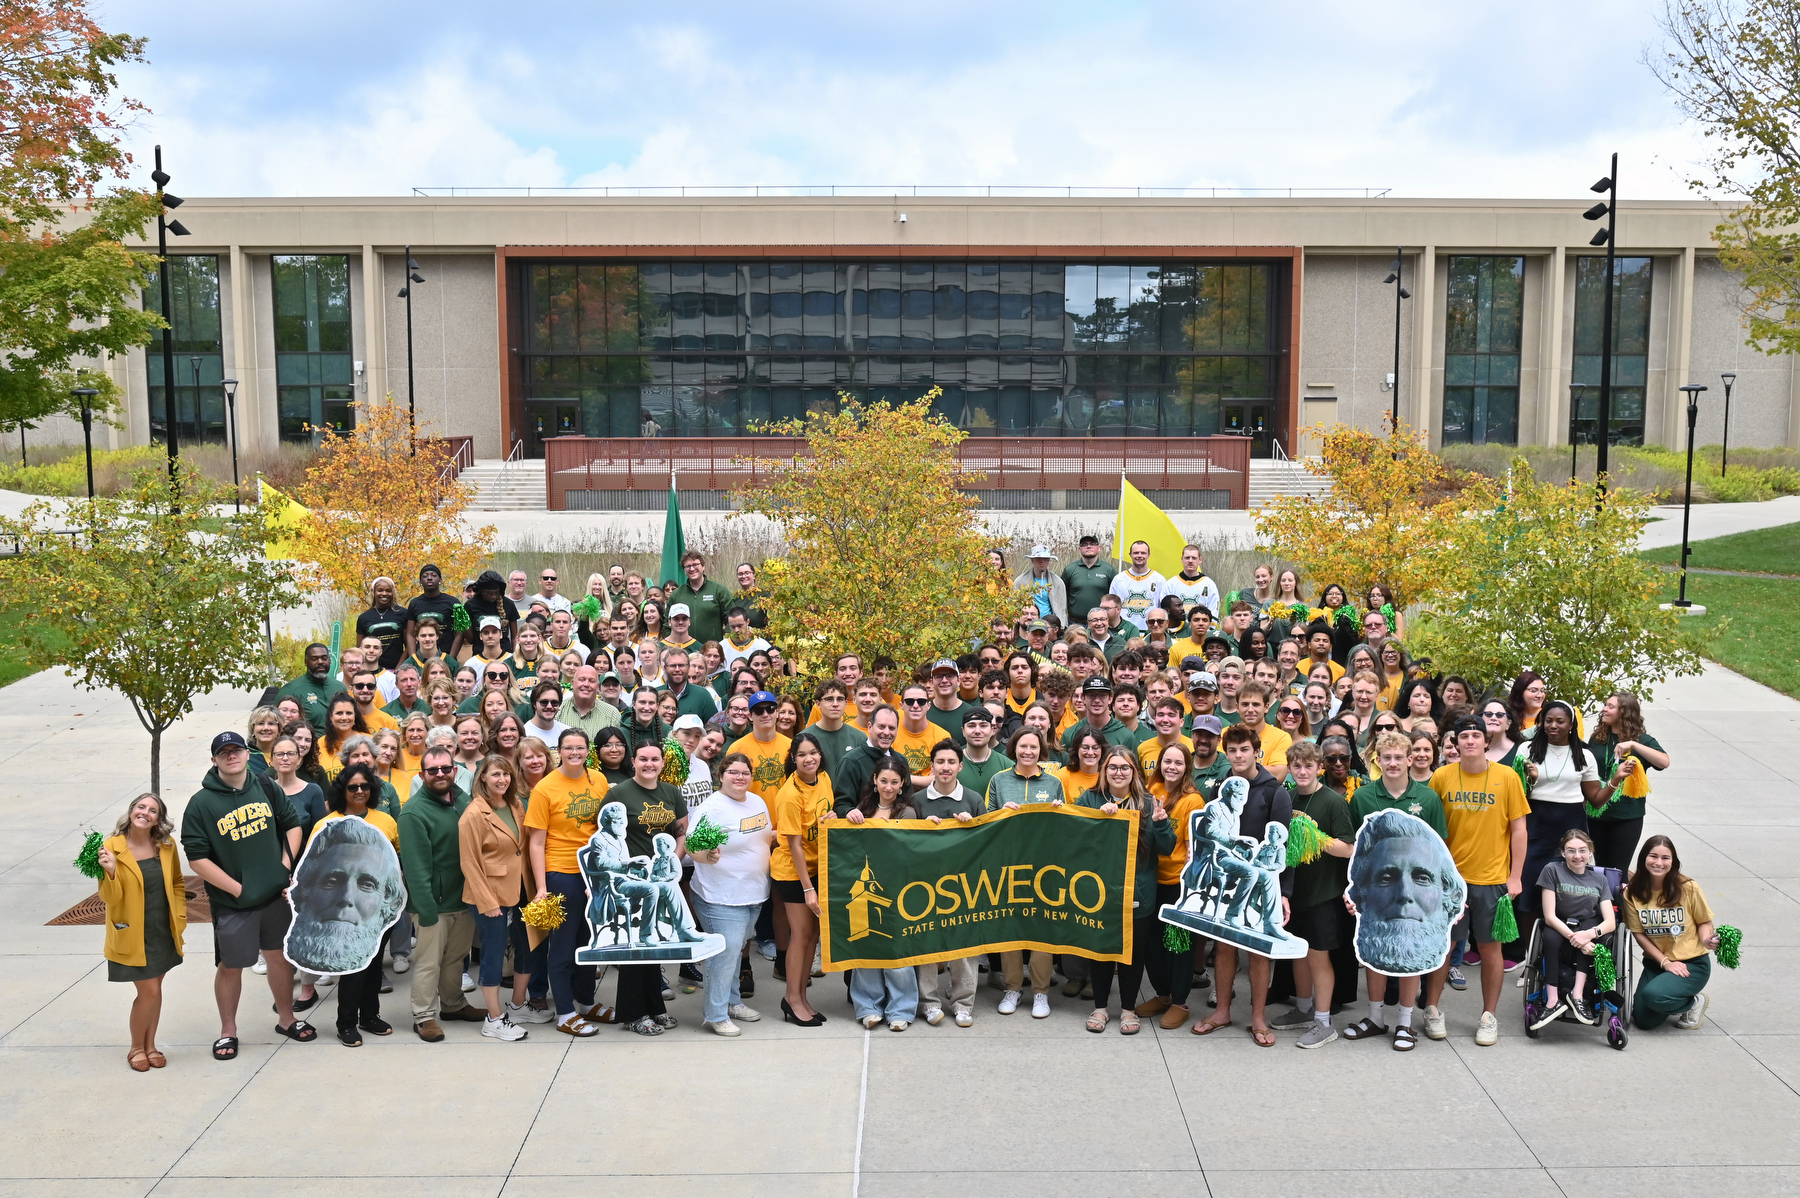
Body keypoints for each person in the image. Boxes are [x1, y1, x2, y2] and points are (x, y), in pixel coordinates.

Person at [182, 731, 313, 1060]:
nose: (231, 756)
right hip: (233, 904)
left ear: (246, 753)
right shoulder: (201, 804)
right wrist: (237, 889)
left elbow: (292, 824)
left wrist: (284, 867)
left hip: (273, 897)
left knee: (279, 959)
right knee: (232, 965)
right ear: (214, 759)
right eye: (223, 752)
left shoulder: (266, 786)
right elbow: (197, 857)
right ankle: (228, 1031)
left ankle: (287, 1019)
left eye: (236, 749)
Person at [1342, 731, 1452, 1050]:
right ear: (1377, 761)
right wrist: (1352, 890)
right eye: (1385, 757)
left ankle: (1404, 1023)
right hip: (1377, 888)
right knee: (1376, 950)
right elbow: (1356, 851)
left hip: (1415, 890)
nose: (1392, 763)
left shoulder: (1428, 798)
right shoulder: (1362, 797)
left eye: (1398, 757)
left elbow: (1440, 850)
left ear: (1409, 760)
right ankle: (1376, 1018)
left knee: (1411, 952)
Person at [1426, 715, 1530, 1047]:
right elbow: (1430, 832)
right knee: (1446, 947)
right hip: (1451, 881)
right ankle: (1431, 1009)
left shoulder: (1507, 777)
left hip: (1493, 881)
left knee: (1490, 949)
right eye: (1463, 736)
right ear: (1454, 743)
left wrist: (1515, 877)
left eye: (1476, 735)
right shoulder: (1442, 777)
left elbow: (1519, 830)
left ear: (1487, 741)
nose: (1470, 741)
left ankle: (1488, 1016)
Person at [1190, 723, 1292, 1048]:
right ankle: (1222, 1011)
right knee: (1223, 947)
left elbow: (1285, 848)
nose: (1237, 755)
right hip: (1227, 877)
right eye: (1231, 750)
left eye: (1244, 749)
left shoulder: (1275, 791)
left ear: (1256, 752)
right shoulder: (1219, 788)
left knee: (1258, 952)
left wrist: (1284, 894)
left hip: (1262, 881)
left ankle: (1258, 1018)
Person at [1264, 741, 1354, 1049]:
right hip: (1292, 893)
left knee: (1318, 957)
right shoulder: (1285, 798)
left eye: (1309, 766)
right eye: (1297, 766)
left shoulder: (1332, 801)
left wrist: (1316, 837)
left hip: (1322, 894)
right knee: (1298, 954)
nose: (1303, 772)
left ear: (1320, 768)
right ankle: (1303, 1009)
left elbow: (1348, 848)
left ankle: (1324, 1021)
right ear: (1289, 769)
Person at [305, 764, 403, 1046]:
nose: (359, 791)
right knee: (353, 966)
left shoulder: (386, 821)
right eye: (353, 787)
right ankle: (346, 1023)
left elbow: (397, 861)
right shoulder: (326, 825)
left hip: (378, 907)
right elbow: (313, 868)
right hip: (344, 908)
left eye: (365, 786)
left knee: (374, 964)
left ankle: (370, 1016)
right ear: (342, 791)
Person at [1077, 747, 1173, 1034]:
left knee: (1133, 953)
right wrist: (1097, 818)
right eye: (1113, 767)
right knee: (1102, 950)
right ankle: (1101, 1007)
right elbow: (1076, 840)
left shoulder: (1148, 802)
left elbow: (1166, 848)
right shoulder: (1090, 798)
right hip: (1101, 890)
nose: (1119, 772)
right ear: (1104, 771)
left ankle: (1129, 1009)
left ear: (1134, 773)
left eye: (1125, 768)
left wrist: (1161, 823)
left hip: (1139, 892)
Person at [525, 728, 613, 1035]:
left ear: (588, 750)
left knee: (588, 941)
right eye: (568, 748)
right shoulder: (544, 789)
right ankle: (564, 1012)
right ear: (558, 752)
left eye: (580, 747)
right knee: (562, 945)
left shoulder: (598, 780)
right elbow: (536, 842)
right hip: (562, 871)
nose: (574, 753)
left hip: (594, 872)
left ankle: (585, 1002)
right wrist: (541, 888)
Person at [398, 745, 485, 1041]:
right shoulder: (413, 812)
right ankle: (423, 1016)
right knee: (428, 962)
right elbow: (415, 867)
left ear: (455, 771)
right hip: (432, 905)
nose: (439, 774)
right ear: (422, 774)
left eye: (445, 769)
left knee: (455, 958)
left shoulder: (463, 800)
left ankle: (453, 1004)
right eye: (432, 770)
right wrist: (426, 910)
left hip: (464, 898)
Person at [604, 741, 691, 1035]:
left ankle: (655, 1007)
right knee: (634, 949)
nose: (649, 764)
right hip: (631, 882)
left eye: (655, 759)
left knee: (653, 946)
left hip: (660, 880)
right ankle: (632, 1013)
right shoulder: (618, 793)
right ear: (634, 761)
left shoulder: (671, 792)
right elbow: (606, 839)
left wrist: (670, 868)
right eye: (643, 759)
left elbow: (681, 833)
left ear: (662, 763)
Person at [687, 752, 776, 1036]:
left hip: (753, 893)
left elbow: (764, 837)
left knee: (736, 950)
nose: (740, 777)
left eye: (745, 772)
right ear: (721, 776)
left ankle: (733, 1001)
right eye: (733, 772)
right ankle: (716, 1014)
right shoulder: (712, 808)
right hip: (720, 896)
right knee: (723, 955)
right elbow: (692, 847)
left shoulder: (757, 801)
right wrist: (706, 855)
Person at [99, 793, 186, 1071]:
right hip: (132, 932)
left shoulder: (165, 845)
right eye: (141, 807)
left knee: (156, 989)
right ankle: (136, 1047)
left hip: (162, 928)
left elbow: (176, 883)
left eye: (152, 810)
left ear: (158, 819)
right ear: (131, 811)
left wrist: (180, 919)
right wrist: (111, 872)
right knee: (148, 990)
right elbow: (109, 899)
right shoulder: (111, 847)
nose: (145, 812)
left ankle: (151, 1046)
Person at [458, 753, 539, 1042]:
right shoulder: (473, 814)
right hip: (489, 895)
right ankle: (493, 1018)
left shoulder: (516, 806)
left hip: (520, 890)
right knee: (492, 955)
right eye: (495, 774)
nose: (502, 779)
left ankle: (517, 1005)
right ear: (482, 778)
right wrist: (487, 902)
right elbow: (469, 862)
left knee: (528, 946)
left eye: (505, 774)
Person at [842, 753, 921, 1030]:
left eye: (895, 782)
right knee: (866, 946)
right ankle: (868, 1006)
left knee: (897, 949)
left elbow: (907, 851)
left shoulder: (907, 812)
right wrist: (844, 816)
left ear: (902, 785)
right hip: (864, 889)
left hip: (896, 889)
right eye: (884, 780)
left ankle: (901, 1008)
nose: (888, 786)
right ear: (875, 780)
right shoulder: (860, 810)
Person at [910, 739, 984, 1027]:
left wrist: (971, 828)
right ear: (932, 766)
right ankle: (929, 1002)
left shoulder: (973, 800)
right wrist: (921, 828)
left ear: (960, 766)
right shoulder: (917, 801)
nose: (945, 767)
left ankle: (964, 1003)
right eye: (940, 762)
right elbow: (907, 842)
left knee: (964, 948)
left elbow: (985, 844)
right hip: (927, 884)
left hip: (964, 884)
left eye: (951, 762)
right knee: (929, 943)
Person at [1622, 836, 1719, 1031]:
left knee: (1654, 997)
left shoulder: (1688, 887)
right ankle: (1672, 997)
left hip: (1691, 963)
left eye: (1665, 858)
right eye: (1653, 856)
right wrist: (1665, 963)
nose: (1659, 863)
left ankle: (1694, 1003)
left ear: (1673, 861)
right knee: (1643, 1020)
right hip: (1658, 963)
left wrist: (1706, 939)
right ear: (1643, 859)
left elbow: (1703, 920)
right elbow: (1639, 934)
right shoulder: (1632, 893)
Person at [1518, 701, 1600, 925]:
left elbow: (1595, 799)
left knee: (1568, 890)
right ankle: (1529, 954)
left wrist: (1615, 781)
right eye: (1548, 720)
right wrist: (1531, 781)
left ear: (1571, 725)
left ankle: (1559, 948)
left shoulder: (1584, 754)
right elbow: (1516, 795)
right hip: (1535, 824)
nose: (1553, 725)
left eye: (1560, 721)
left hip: (1570, 826)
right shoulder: (1526, 750)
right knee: (1529, 889)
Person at [772, 732, 834, 1027]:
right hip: (793, 872)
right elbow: (794, 844)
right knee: (800, 935)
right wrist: (808, 889)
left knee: (813, 935)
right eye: (802, 755)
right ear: (793, 759)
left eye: (813, 752)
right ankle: (791, 998)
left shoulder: (823, 779)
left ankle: (802, 997)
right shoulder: (789, 794)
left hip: (817, 866)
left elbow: (822, 816)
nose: (809, 759)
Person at [1532, 828, 1616, 1029]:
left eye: (1582, 850)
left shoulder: (1600, 880)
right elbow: (1549, 915)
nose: (1577, 856)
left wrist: (1588, 935)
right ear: (1563, 853)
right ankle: (1552, 1001)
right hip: (1559, 922)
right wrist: (1574, 937)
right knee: (1550, 940)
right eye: (1571, 851)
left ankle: (1577, 995)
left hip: (1588, 924)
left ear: (1590, 852)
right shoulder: (1552, 871)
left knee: (1588, 938)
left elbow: (1610, 922)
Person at [1586, 691, 1670, 872]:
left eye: (1610, 706)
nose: (1604, 710)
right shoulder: (1598, 738)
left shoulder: (1643, 740)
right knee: (1600, 868)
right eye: (1605, 705)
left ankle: (1619, 901)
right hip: (1597, 814)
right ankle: (1604, 901)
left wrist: (1633, 745)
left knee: (1618, 870)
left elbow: (1664, 762)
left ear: (1624, 712)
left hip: (1627, 816)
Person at [728, 689, 791, 801]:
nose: (765, 714)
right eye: (758, 710)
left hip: (785, 816)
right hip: (751, 815)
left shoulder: (790, 745)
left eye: (770, 709)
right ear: (750, 716)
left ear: (777, 712)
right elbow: (730, 790)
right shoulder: (737, 749)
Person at [277, 643, 347, 735]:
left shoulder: (339, 687)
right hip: (308, 745)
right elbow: (277, 723)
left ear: (330, 661)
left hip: (340, 742)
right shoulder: (291, 690)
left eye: (324, 658)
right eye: (314, 659)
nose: (320, 662)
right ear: (306, 662)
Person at [1108, 539, 1165, 632]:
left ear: (1148, 555)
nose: (1139, 556)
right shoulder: (1118, 579)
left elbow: (1163, 609)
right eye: (1136, 553)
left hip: (1150, 632)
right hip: (1125, 632)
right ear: (1130, 554)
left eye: (1143, 553)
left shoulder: (1159, 579)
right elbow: (1111, 608)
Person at [956, 706, 1011, 798]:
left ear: (991, 730)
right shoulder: (951, 763)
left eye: (983, 726)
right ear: (963, 731)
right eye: (971, 726)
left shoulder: (1006, 766)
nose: (977, 731)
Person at [1060, 534, 1117, 624]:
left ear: (1098, 548)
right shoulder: (1069, 569)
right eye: (1084, 544)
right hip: (1074, 622)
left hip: (1100, 623)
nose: (1088, 546)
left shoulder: (1108, 570)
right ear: (1080, 549)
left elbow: (1115, 596)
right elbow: (1061, 594)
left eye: (1092, 544)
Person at [1014, 544, 1068, 624]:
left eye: (1045, 558)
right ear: (1032, 560)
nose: (1042, 561)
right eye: (1038, 558)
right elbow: (1015, 606)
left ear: (1049, 560)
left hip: (1050, 626)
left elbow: (1061, 609)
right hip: (1028, 625)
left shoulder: (1057, 582)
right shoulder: (1020, 581)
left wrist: (1061, 626)